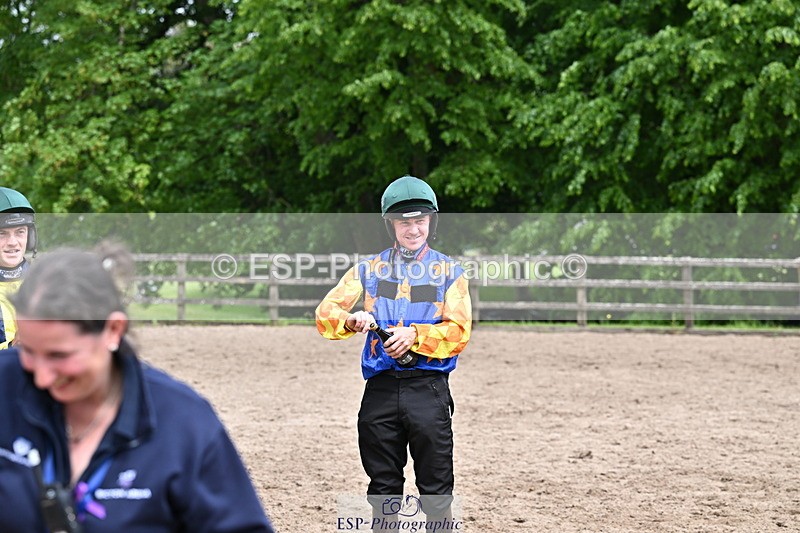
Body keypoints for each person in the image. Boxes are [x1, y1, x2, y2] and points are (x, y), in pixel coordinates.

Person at [0, 245, 274, 532]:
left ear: (114, 330)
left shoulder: (183, 422)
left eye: (60, 356)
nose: (41, 377)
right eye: (28, 351)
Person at [315, 175, 472, 532]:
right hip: (381, 391)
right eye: (404, 222)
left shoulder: (450, 273)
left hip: (428, 390)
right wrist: (351, 320)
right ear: (391, 225)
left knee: (435, 491)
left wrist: (414, 335)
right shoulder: (368, 270)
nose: (413, 229)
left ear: (431, 221)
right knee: (383, 489)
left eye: (420, 220)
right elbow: (325, 316)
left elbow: (459, 332)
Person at [0, 186, 38, 349]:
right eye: (2, 233)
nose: (13, 242)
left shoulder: (47, 281)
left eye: (20, 232)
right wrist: (13, 348)